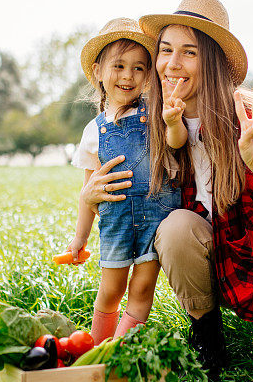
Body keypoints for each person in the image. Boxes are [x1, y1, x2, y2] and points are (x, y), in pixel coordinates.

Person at [80, 0, 253, 377]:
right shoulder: (154, 125)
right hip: (218, 265)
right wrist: (89, 197)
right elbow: (117, 178)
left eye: (189, 52)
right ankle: (206, 332)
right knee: (174, 229)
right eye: (165, 50)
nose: (172, 64)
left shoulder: (248, 120)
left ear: (212, 62)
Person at [67, 18, 181, 344]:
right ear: (99, 71)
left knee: (142, 289)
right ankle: (97, 351)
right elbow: (89, 193)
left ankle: (120, 355)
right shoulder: (93, 131)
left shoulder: (158, 112)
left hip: (156, 217)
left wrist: (173, 122)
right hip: (116, 222)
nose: (128, 76)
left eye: (139, 68)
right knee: (111, 290)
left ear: (148, 76)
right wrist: (79, 240)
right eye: (119, 66)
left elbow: (176, 141)